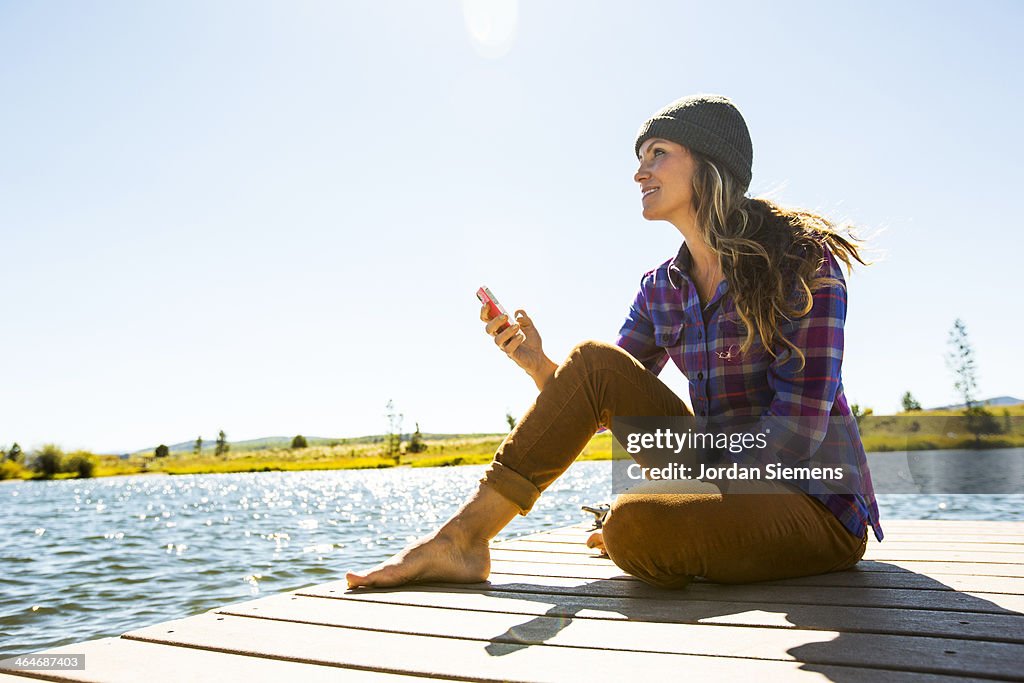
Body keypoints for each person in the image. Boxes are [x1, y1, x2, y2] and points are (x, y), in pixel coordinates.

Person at [346, 94, 883, 590]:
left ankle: (669, 528)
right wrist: (538, 365)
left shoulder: (800, 263)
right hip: (722, 476)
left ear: (709, 163)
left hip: (814, 506)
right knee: (595, 363)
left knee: (633, 526)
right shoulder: (662, 288)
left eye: (657, 153)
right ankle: (461, 541)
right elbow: (597, 400)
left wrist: (681, 499)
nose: (639, 171)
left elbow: (797, 433)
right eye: (639, 156)